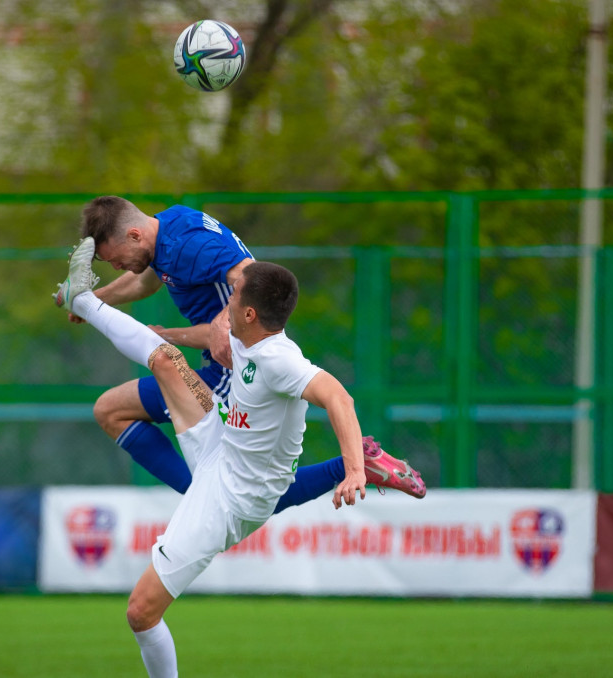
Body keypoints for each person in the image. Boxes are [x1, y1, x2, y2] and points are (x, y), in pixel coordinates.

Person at [57, 239, 368, 676]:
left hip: (232, 499)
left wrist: (354, 469)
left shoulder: (279, 359)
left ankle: (363, 464)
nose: (228, 298)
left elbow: (339, 397)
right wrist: (165, 334)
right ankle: (82, 299)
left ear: (249, 313)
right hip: (218, 444)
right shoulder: (245, 335)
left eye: (235, 294)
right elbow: (209, 334)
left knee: (140, 612)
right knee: (165, 361)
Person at [60, 196, 425, 509]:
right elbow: (145, 280)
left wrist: (216, 325)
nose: (115, 266)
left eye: (115, 258)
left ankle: (203, 502)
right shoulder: (168, 231)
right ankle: (205, 502)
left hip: (235, 379)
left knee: (240, 499)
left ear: (134, 234)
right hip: (216, 369)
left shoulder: (188, 245)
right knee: (111, 410)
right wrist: (93, 299)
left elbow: (249, 276)